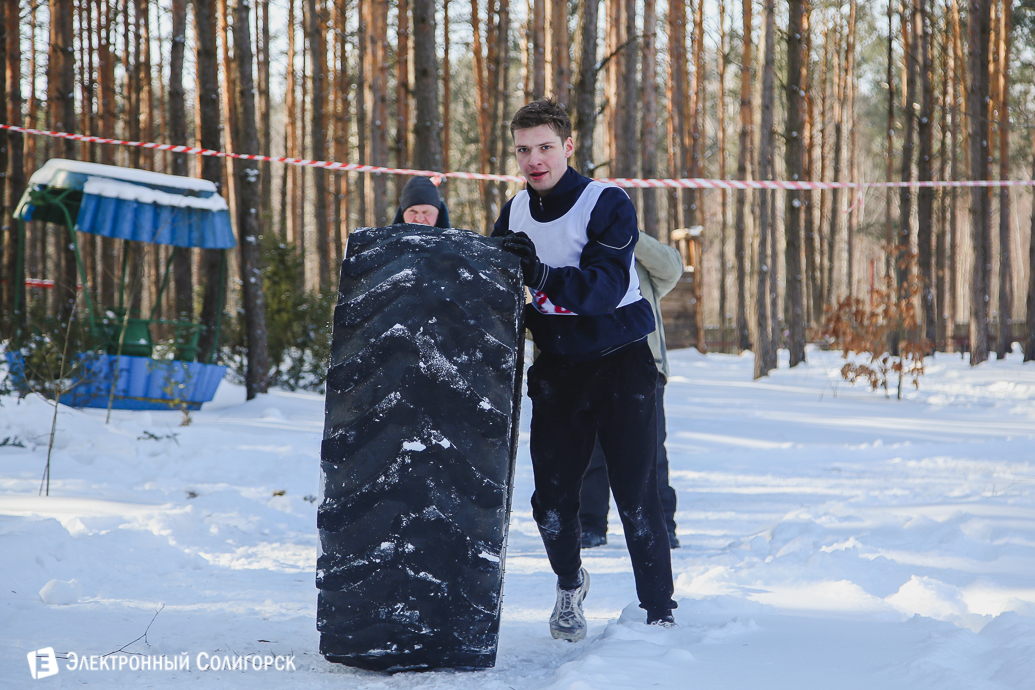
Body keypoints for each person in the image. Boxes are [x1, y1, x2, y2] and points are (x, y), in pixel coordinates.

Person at [494, 99, 676, 642]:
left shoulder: (606, 202)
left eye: (545, 147)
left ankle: (658, 612)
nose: (534, 160)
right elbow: (506, 292)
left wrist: (541, 273)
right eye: (524, 150)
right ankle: (570, 585)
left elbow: (599, 290)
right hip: (558, 369)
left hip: (622, 362)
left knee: (635, 494)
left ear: (569, 147)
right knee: (550, 502)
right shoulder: (514, 212)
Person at [580, 232, 683, 550]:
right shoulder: (569, 247)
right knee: (588, 453)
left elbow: (671, 269)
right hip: (585, 366)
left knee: (649, 453)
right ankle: (590, 526)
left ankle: (662, 526)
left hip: (644, 366)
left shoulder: (636, 251)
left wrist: (630, 233)